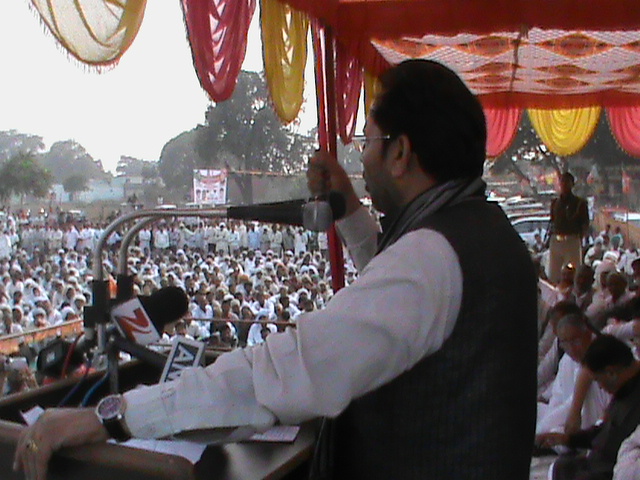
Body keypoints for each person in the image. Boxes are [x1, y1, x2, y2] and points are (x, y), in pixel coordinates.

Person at [13, 60, 538, 480]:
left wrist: (109, 416)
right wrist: (351, 213)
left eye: (369, 145)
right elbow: (414, 320)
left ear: (401, 152)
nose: (363, 160)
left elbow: (286, 372)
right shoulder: (488, 239)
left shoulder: (431, 258)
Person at [537, 335, 640, 480]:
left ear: (611, 373)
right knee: (560, 466)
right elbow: (604, 431)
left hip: (610, 472)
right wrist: (568, 439)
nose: (599, 386)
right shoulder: (623, 390)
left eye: (598, 380)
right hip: (594, 465)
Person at [548, 172, 590, 284]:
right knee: (553, 273)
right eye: (562, 182)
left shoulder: (579, 203)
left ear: (572, 184)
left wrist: (581, 238)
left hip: (572, 239)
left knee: (575, 272)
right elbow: (552, 221)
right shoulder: (555, 203)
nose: (564, 185)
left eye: (567, 182)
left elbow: (585, 223)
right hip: (556, 240)